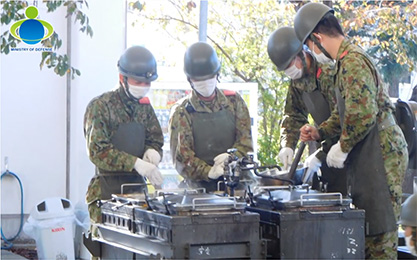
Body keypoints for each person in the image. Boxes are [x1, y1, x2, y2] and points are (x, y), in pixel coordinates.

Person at [294, 3, 408, 259]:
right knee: (367, 232)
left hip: (381, 152)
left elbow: (362, 115)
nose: (311, 52)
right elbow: (345, 112)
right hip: (372, 152)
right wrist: (320, 132)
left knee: (380, 233)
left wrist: (342, 147)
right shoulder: (344, 63)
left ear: (317, 39)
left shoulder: (352, 62)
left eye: (309, 46)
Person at [84, 46, 164, 239]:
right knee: (107, 249)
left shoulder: (145, 108)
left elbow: (155, 139)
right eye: (139, 81)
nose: (143, 86)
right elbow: (98, 151)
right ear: (122, 79)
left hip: (138, 193)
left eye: (147, 82)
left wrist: (152, 152)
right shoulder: (101, 106)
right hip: (106, 192)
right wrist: (135, 163)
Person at [169, 41, 253, 193]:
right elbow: (182, 157)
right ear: (190, 80)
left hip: (238, 186)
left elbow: (246, 144)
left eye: (209, 78)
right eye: (198, 80)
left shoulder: (234, 102)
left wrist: (231, 158)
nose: (205, 84)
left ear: (217, 75)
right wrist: (209, 171)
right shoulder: (182, 111)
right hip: (200, 192)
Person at [267, 26, 341, 186]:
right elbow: (293, 115)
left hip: (347, 148)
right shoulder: (297, 81)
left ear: (301, 54)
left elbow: (342, 117)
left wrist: (320, 155)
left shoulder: (327, 72)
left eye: (289, 65)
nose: (289, 72)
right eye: (284, 69)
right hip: (329, 152)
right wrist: (287, 146)